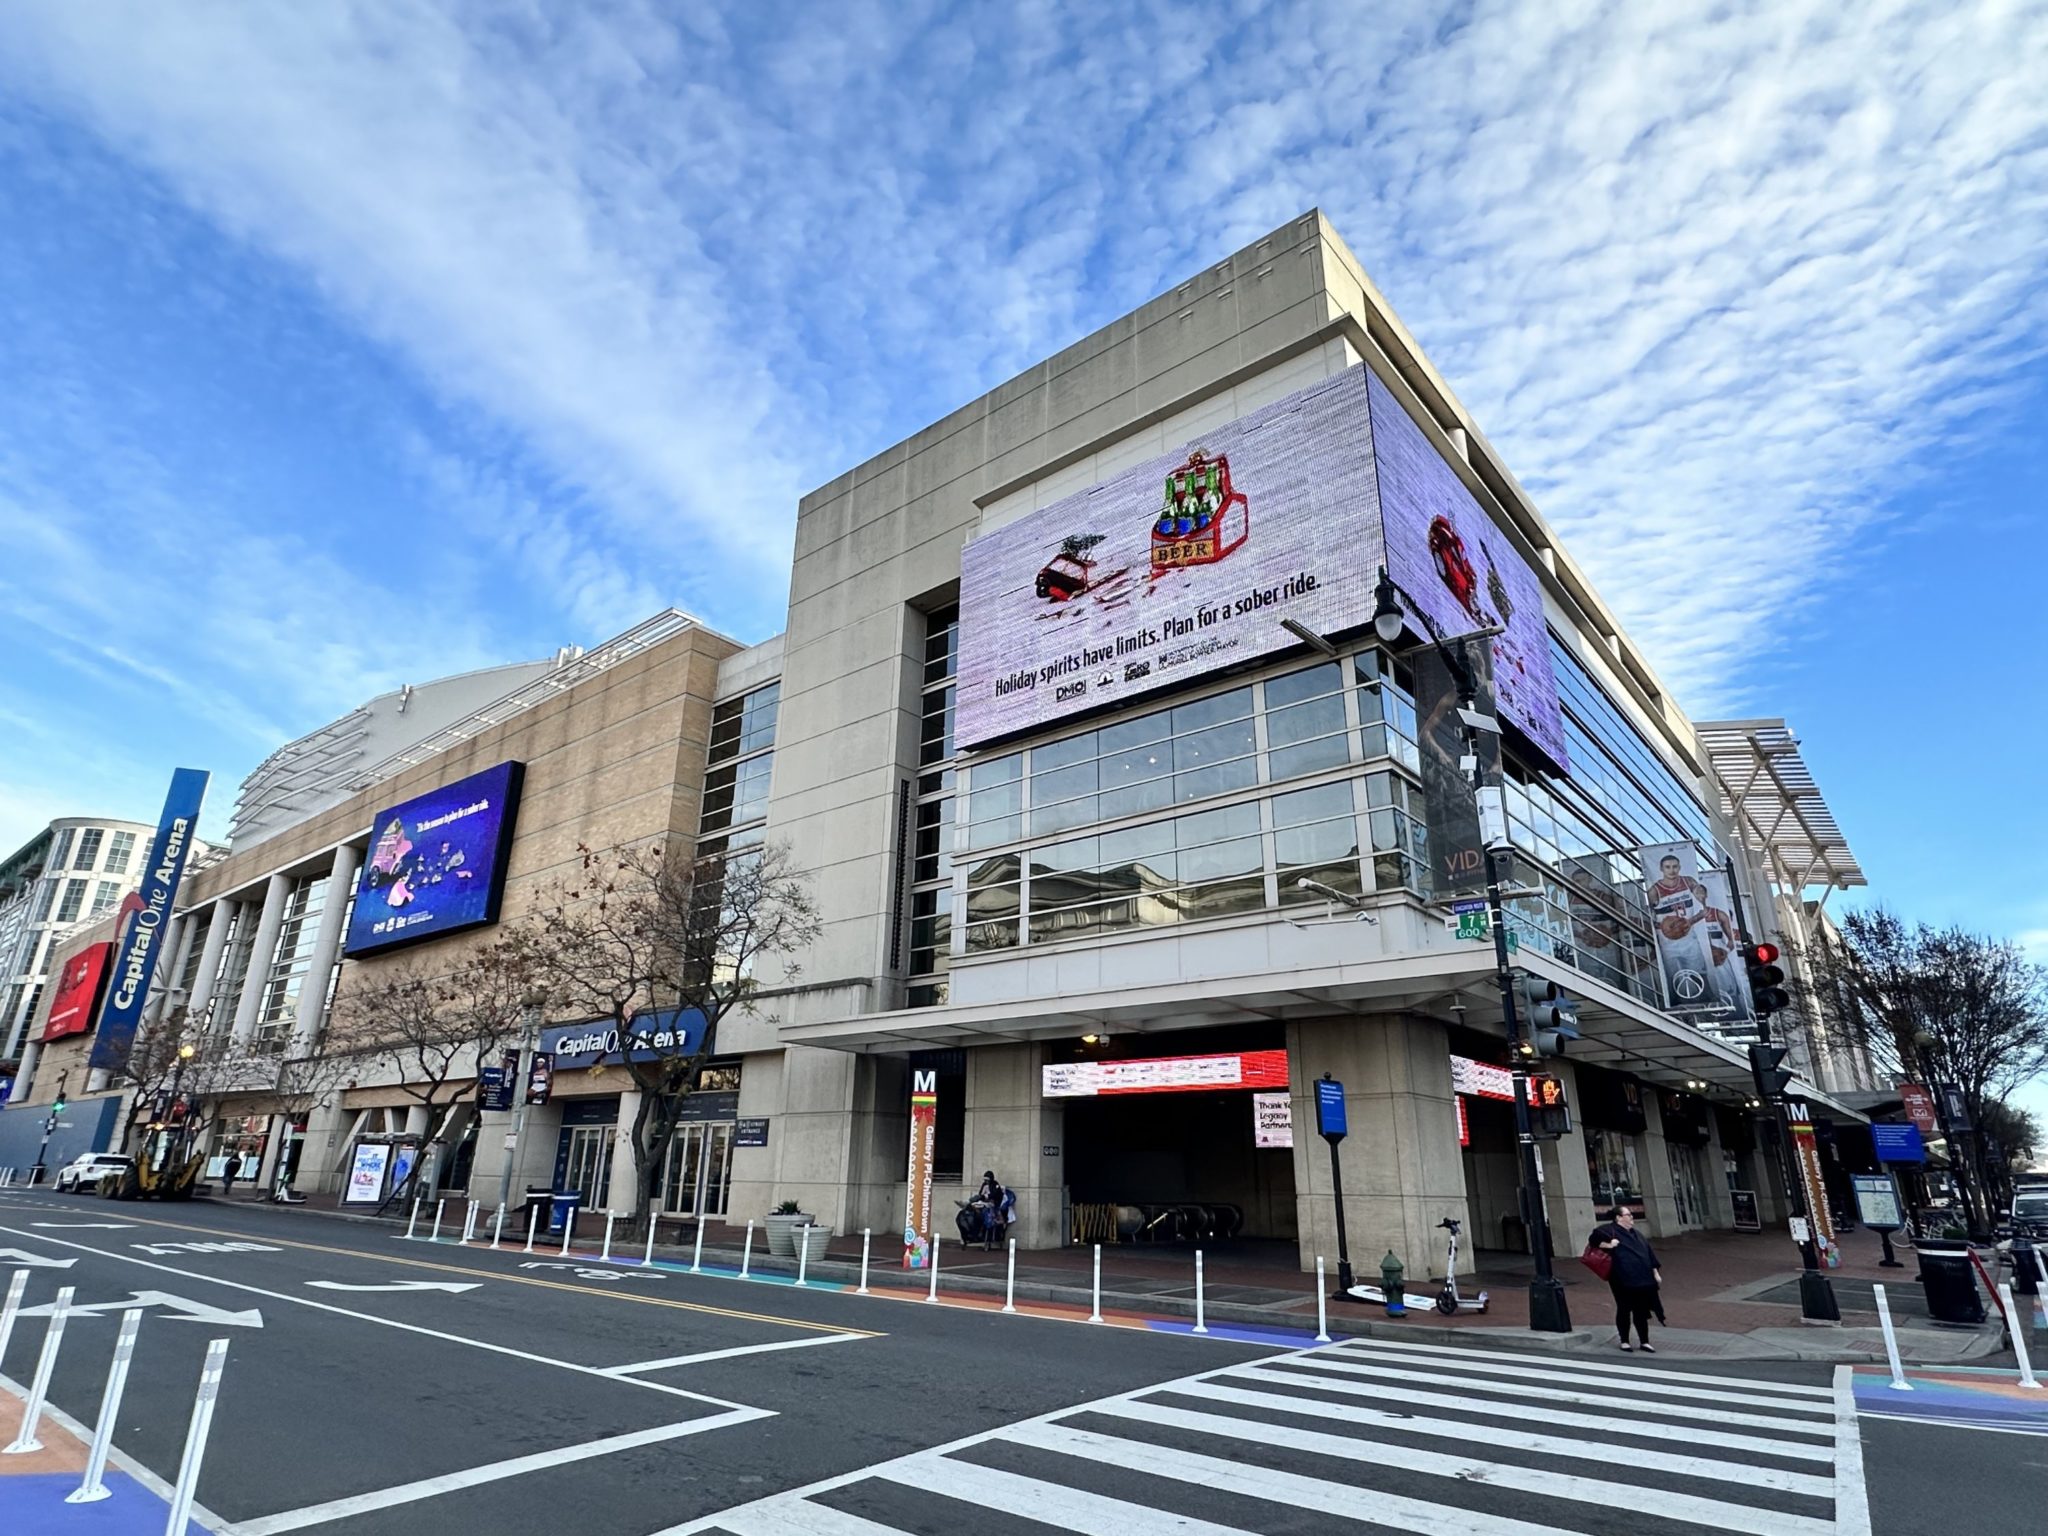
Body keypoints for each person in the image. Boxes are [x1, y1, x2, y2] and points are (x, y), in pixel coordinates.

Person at [1590, 1204, 1663, 1352]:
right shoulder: (1608, 1231)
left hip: (1642, 1278)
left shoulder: (1638, 1235)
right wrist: (1609, 1245)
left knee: (1641, 1309)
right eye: (1628, 1215)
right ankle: (1624, 1340)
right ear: (1618, 1218)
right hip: (1622, 1278)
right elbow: (1593, 1241)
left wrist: (1655, 1273)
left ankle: (1644, 1341)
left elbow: (1648, 1255)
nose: (1631, 1217)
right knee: (1624, 1308)